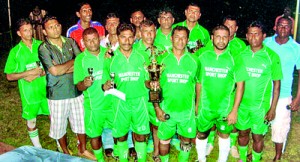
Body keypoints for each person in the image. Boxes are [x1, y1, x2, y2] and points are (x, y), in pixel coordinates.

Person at [38, 16, 95, 160]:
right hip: (57, 93)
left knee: (81, 122)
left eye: (56, 25)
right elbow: (54, 72)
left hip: (76, 90)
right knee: (59, 125)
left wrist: (63, 67)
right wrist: (71, 63)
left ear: (60, 26)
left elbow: (81, 63)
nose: (55, 29)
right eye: (50, 27)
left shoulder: (70, 41)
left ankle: (82, 149)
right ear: (44, 31)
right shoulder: (43, 48)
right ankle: (65, 151)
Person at [195, 25, 247, 162]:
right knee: (201, 133)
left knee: (224, 135)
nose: (221, 40)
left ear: (229, 38)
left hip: (225, 107)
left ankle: (222, 160)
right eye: (218, 36)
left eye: (225, 37)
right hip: (205, 106)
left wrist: (234, 110)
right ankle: (201, 159)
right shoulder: (202, 55)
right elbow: (198, 82)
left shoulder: (235, 57)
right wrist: (197, 105)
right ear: (212, 38)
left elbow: (241, 84)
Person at [236, 20, 283, 162]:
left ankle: (256, 159)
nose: (253, 37)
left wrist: (272, 108)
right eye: (250, 34)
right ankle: (243, 159)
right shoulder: (241, 54)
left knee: (257, 136)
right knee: (242, 133)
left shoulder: (272, 56)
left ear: (264, 36)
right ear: (246, 35)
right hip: (242, 106)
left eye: (257, 34)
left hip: (260, 107)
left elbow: (277, 84)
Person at [153, 26, 200, 162]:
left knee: (186, 140)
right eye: (177, 37)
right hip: (167, 109)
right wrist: (157, 108)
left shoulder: (194, 61)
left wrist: (197, 106)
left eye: (184, 37)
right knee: (164, 140)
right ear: (172, 38)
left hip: (186, 111)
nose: (180, 40)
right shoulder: (161, 60)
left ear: (188, 40)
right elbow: (154, 87)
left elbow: (198, 84)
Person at [106, 23, 150, 162]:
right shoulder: (110, 58)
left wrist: (153, 83)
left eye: (130, 37)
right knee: (121, 135)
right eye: (123, 37)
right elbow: (105, 83)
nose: (127, 40)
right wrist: (105, 85)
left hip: (140, 100)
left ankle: (141, 159)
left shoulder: (142, 55)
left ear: (134, 37)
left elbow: (147, 81)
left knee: (141, 135)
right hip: (120, 102)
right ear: (118, 37)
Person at [4, 18, 49, 148]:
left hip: (45, 89)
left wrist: (41, 72)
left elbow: (50, 65)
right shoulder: (15, 52)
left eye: (30, 29)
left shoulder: (42, 45)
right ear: (19, 33)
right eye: (25, 30)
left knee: (53, 115)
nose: (29, 33)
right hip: (29, 93)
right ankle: (38, 147)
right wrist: (27, 73)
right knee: (31, 120)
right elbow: (9, 76)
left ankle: (58, 141)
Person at [99, 12, 136, 159]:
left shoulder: (128, 40)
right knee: (109, 114)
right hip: (108, 83)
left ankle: (130, 145)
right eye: (109, 23)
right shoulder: (101, 42)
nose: (113, 26)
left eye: (115, 23)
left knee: (127, 113)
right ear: (106, 26)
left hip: (125, 83)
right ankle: (108, 144)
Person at [264, 17, 300, 161]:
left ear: (291, 29)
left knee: (280, 125)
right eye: (280, 25)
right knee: (260, 123)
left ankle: (278, 155)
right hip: (264, 91)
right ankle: (257, 149)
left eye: (287, 26)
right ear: (275, 27)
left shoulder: (296, 48)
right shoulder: (266, 43)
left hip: (283, 94)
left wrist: (297, 98)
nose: (283, 29)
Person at [74, 27, 112, 162]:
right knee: (95, 135)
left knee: (119, 132)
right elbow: (78, 86)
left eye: (95, 39)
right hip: (94, 105)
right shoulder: (80, 60)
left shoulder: (109, 53)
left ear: (99, 38)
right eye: (88, 40)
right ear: (83, 42)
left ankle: (119, 155)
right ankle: (100, 159)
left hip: (113, 102)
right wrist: (84, 83)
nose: (92, 43)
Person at [133, 19, 164, 161]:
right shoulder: (133, 50)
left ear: (155, 32)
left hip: (156, 93)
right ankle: (139, 154)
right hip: (139, 94)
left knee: (157, 123)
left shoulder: (161, 50)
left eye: (152, 31)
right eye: (146, 31)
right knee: (139, 128)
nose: (149, 35)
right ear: (140, 32)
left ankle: (156, 152)